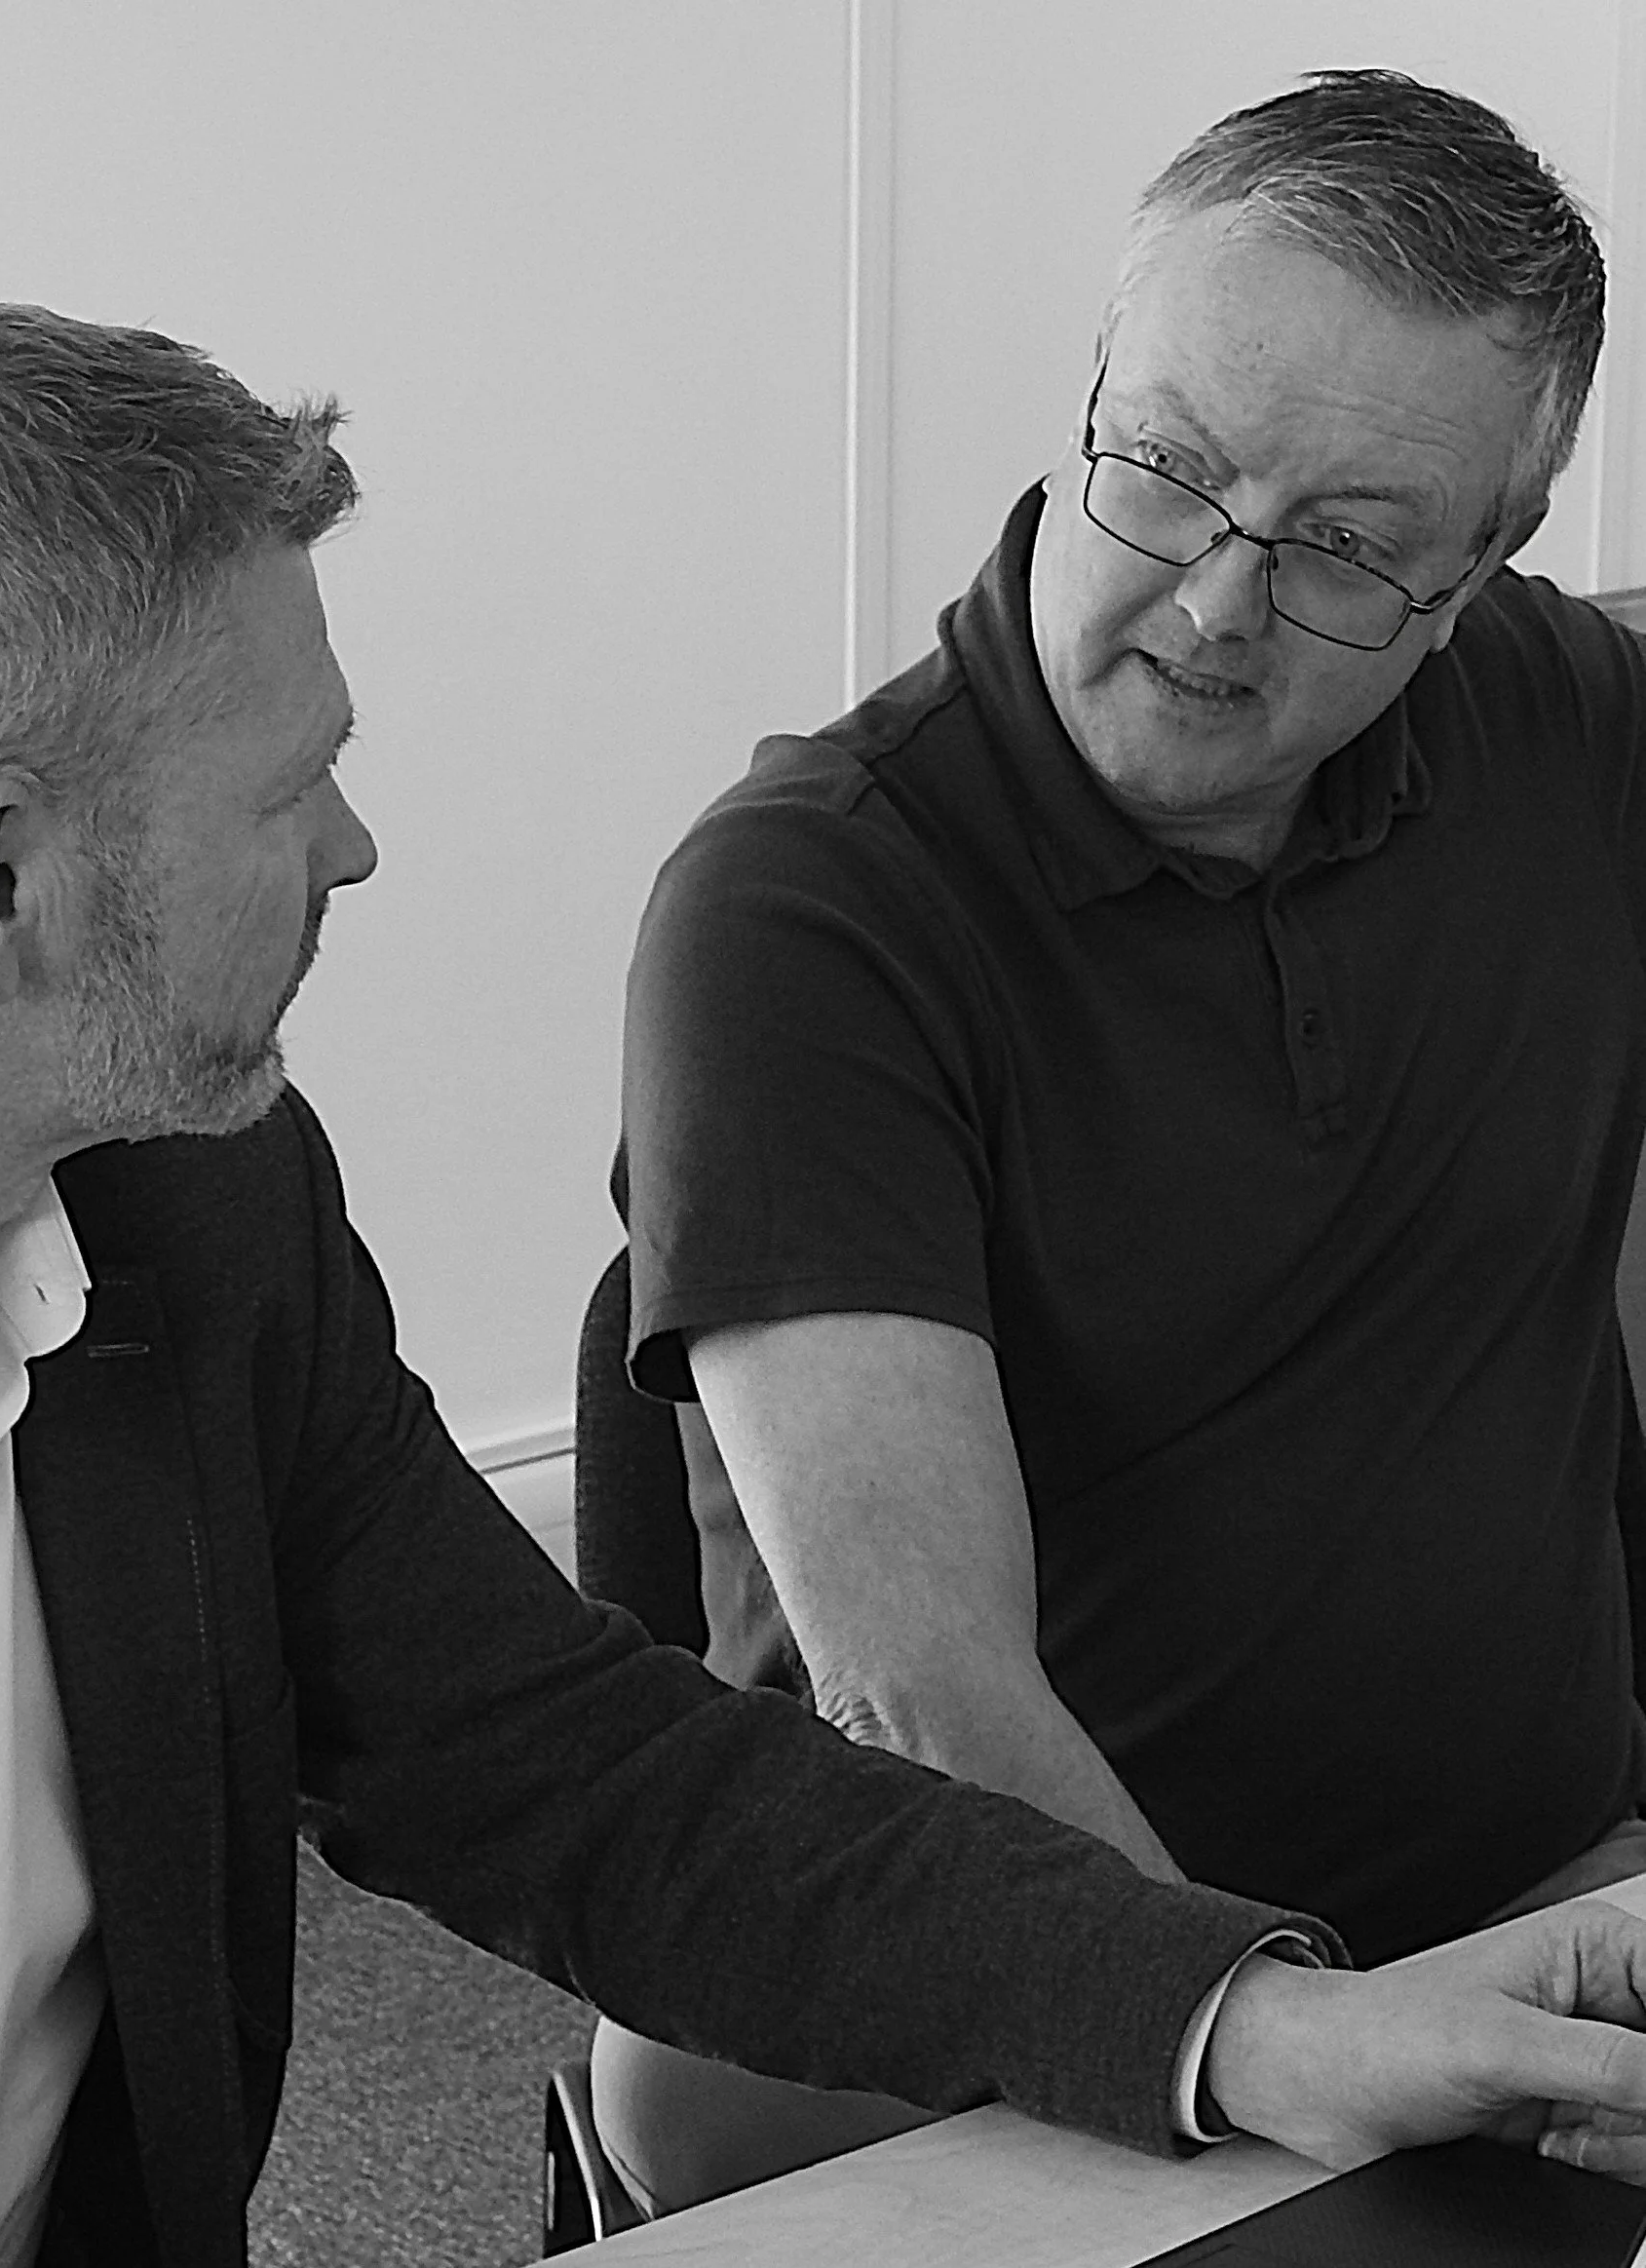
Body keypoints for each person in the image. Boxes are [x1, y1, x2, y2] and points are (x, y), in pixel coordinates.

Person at [0, 284, 1646, 2268]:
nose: (355, 848)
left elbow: (580, 1779)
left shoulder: (184, 1204)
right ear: (2, 881)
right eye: (289, 790)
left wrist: (1258, 2022)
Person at [610, 64, 1646, 2212]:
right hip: (1004, 2017)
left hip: (1536, 1916)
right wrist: (1288, 2043)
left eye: (1342, 548)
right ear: (1090, 397)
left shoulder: (1560, 724)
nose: (1209, 602)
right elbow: (923, 1697)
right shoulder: (804, 908)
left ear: (1479, 566)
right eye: (1167, 472)